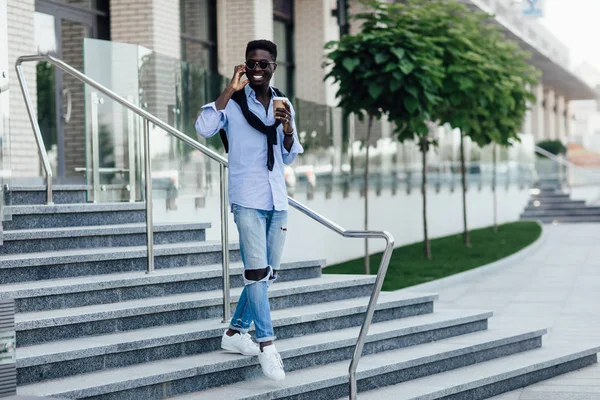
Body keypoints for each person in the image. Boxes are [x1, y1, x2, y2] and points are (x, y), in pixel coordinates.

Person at [195, 39, 303, 381]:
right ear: (243, 65)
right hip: (246, 198)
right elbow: (204, 128)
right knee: (256, 273)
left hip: (277, 200)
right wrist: (229, 88)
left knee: (266, 274)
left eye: (263, 64)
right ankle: (268, 345)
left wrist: (286, 128)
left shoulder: (283, 102)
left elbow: (289, 154)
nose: (257, 70)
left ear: (274, 66)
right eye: (251, 64)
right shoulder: (231, 103)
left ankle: (233, 333)